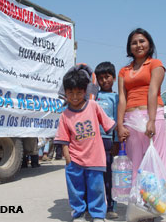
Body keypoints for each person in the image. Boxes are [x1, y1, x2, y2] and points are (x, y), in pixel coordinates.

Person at [54, 66, 116, 222]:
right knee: (76, 189)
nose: (74, 97)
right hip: (74, 159)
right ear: (65, 93)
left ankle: (97, 214)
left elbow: (108, 124)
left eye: (78, 93)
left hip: (95, 157)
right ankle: (79, 213)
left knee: (96, 188)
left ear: (85, 92)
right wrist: (68, 158)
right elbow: (64, 138)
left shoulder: (93, 106)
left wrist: (120, 134)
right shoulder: (64, 115)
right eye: (70, 93)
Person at [117, 28, 166, 182]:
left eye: (142, 41)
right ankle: (138, 202)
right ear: (129, 47)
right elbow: (122, 99)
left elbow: (152, 92)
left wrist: (151, 120)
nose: (138, 45)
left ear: (149, 44)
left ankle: (159, 203)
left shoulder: (155, 64)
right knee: (135, 163)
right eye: (134, 43)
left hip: (152, 115)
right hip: (130, 119)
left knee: (157, 160)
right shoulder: (123, 71)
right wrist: (120, 125)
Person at [95, 61, 119, 219]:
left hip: (108, 141)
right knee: (94, 175)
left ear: (114, 78)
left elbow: (117, 120)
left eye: (107, 77)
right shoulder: (94, 96)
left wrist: (117, 141)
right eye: (100, 78)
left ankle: (111, 207)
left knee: (109, 175)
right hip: (93, 141)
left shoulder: (116, 98)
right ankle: (95, 205)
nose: (104, 81)